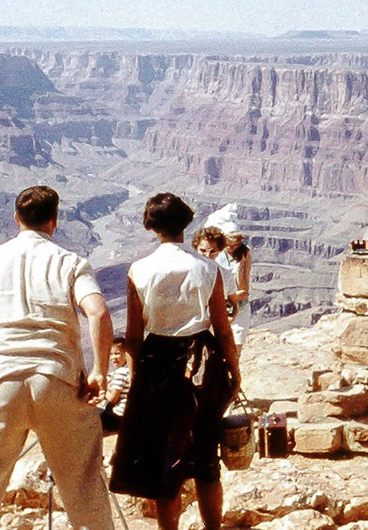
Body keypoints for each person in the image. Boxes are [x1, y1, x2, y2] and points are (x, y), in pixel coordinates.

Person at [0, 186, 114, 530]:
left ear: (16, 218)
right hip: (58, 380)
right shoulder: (71, 263)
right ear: (54, 221)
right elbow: (97, 313)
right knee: (82, 485)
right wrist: (99, 372)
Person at [110, 193, 241, 530]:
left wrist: (138, 379)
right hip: (202, 362)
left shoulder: (139, 270)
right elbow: (223, 329)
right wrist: (234, 370)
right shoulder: (208, 268)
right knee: (205, 452)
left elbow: (134, 336)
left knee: (165, 457)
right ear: (186, 224)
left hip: (158, 363)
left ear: (152, 227)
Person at [214, 221, 252, 340]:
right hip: (220, 308)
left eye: (235, 245)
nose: (231, 248)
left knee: (237, 348)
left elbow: (244, 290)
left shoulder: (244, 255)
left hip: (240, 307)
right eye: (228, 244)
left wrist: (241, 266)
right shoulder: (215, 254)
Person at [98, 336, 130, 433]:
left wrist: (104, 390)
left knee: (95, 417)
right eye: (111, 354)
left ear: (127, 354)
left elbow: (113, 398)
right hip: (126, 415)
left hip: (119, 416)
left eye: (117, 353)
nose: (113, 358)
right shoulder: (129, 370)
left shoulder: (121, 372)